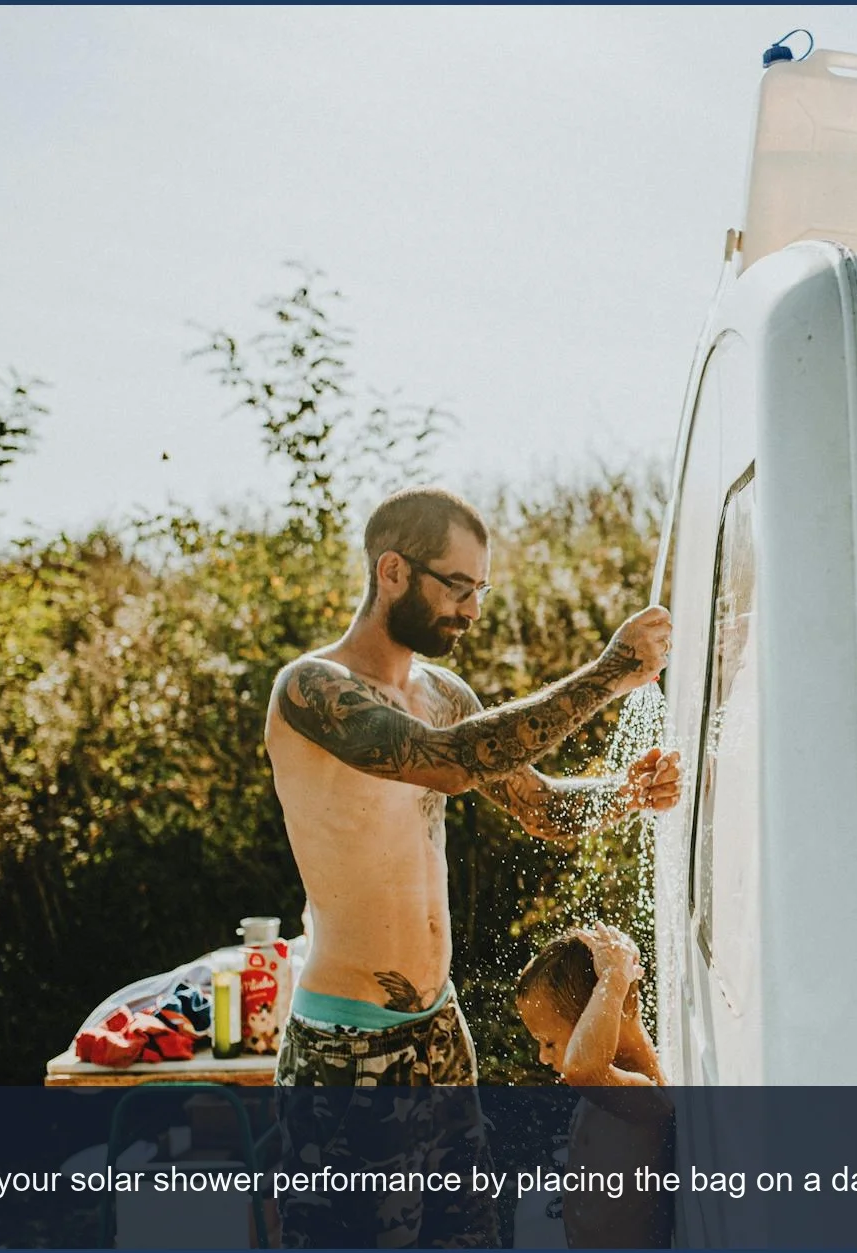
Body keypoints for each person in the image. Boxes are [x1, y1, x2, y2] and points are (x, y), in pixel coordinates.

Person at [264, 485, 683, 1248]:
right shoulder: (310, 689)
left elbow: (545, 810)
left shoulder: (443, 693)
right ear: (392, 570)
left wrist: (627, 793)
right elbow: (450, 764)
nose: (473, 609)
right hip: (350, 1048)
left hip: (440, 1028)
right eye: (458, 587)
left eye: (481, 589)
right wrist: (606, 673)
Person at [516, 924, 673, 1249]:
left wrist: (614, 979)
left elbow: (582, 1068)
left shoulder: (641, 1095)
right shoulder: (612, 1082)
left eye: (548, 1042)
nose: (542, 1057)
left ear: (596, 1020)